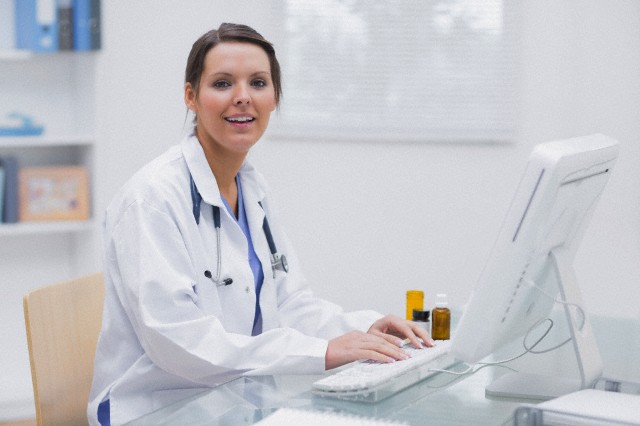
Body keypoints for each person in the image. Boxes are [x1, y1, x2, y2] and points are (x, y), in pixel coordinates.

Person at [87, 23, 433, 426]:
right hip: (158, 408)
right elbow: (178, 344)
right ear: (191, 97)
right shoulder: (152, 199)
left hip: (234, 402)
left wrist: (361, 328)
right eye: (222, 83)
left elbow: (289, 302)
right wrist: (321, 353)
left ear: (274, 99)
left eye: (258, 82)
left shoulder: (251, 188)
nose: (243, 98)